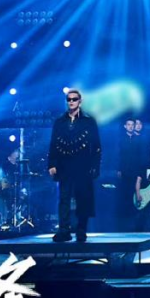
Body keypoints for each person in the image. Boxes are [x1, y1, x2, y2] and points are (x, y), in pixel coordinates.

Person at [48, 89, 102, 242]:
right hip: (64, 165)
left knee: (83, 198)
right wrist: (52, 164)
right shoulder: (59, 121)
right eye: (69, 99)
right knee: (64, 198)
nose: (71, 101)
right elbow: (53, 144)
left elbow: (96, 146)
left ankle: (81, 230)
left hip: (83, 165)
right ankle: (64, 231)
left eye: (74, 99)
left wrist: (95, 166)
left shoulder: (88, 121)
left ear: (80, 101)